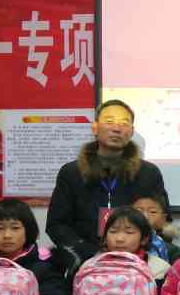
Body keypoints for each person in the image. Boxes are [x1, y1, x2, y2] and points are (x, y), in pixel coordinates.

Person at [46, 99, 168, 267]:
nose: (117, 128)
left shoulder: (148, 173)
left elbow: (161, 218)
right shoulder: (71, 172)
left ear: (132, 131)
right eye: (109, 121)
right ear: (95, 128)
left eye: (124, 123)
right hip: (84, 260)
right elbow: (56, 225)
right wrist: (88, 253)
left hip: (136, 259)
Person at [133, 192, 180, 263]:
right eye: (138, 211)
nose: (145, 216)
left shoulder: (172, 251)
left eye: (153, 212)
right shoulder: (120, 244)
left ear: (163, 218)